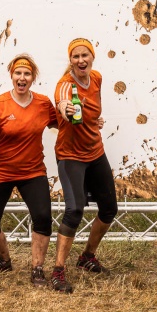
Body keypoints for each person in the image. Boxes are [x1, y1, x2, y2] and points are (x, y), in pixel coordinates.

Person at [0, 54, 58, 288]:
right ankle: (4, 260)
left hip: (33, 171)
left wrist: (90, 120)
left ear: (32, 78)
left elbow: (63, 123)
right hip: (1, 170)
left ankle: (37, 268)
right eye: (18, 73)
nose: (22, 77)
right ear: (11, 76)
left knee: (43, 218)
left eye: (27, 74)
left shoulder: (43, 103)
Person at [50, 38, 118, 293]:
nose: (80, 60)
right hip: (71, 156)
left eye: (84, 55)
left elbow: (92, 109)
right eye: (75, 56)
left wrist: (95, 121)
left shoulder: (96, 78)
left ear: (92, 57)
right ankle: (58, 270)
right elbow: (63, 102)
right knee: (74, 210)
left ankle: (87, 256)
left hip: (95, 152)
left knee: (109, 209)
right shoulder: (65, 86)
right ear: (70, 60)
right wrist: (65, 108)